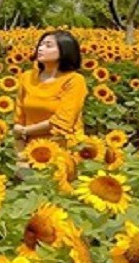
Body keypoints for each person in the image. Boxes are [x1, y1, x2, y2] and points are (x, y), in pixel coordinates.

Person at [12, 31, 88, 174]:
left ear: (65, 51)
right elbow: (19, 118)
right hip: (30, 152)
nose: (40, 49)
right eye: (40, 45)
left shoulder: (74, 80)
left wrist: (25, 131)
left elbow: (62, 122)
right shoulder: (27, 78)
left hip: (62, 151)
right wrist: (21, 157)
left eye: (48, 46)